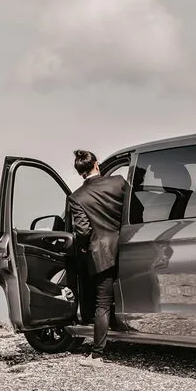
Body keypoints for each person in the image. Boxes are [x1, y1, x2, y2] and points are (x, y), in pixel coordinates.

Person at [69, 149, 126, 361]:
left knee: (103, 303)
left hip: (102, 254)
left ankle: (97, 354)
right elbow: (136, 209)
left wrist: (84, 248)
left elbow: (83, 231)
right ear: (97, 164)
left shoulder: (77, 197)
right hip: (129, 246)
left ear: (80, 172)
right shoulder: (119, 182)